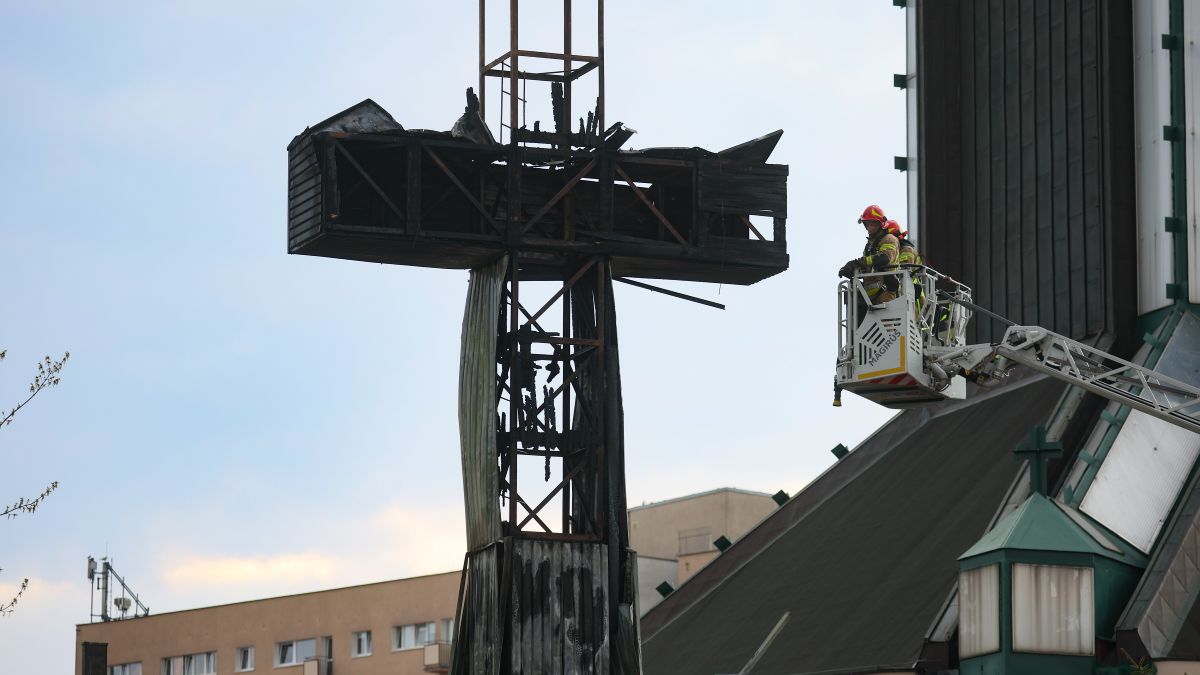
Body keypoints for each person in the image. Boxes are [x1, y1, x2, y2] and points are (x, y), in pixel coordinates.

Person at [838, 205, 899, 304]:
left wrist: (856, 263)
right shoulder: (869, 246)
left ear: (881, 224)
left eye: (873, 224)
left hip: (887, 296)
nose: (869, 227)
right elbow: (867, 267)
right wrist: (852, 270)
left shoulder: (889, 239)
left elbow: (884, 258)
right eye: (867, 224)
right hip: (870, 299)